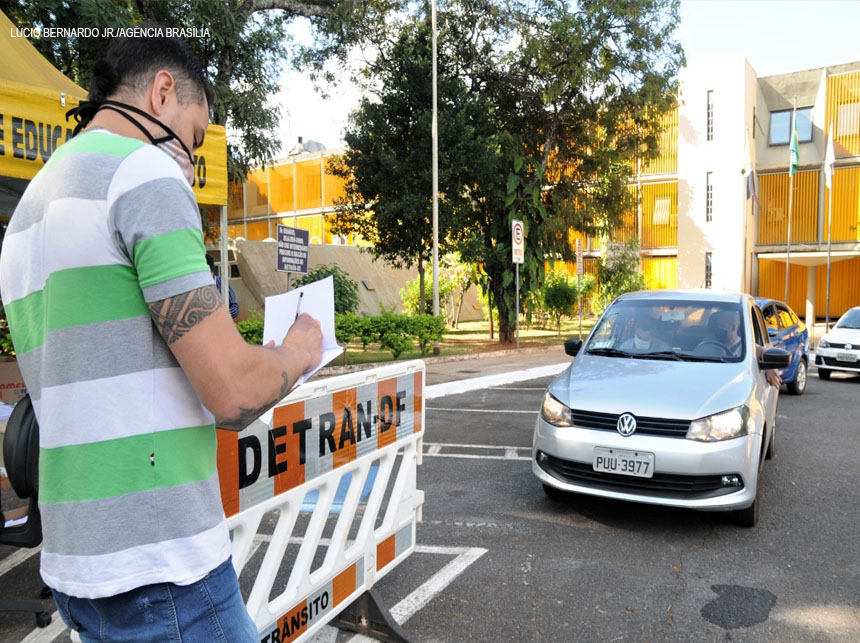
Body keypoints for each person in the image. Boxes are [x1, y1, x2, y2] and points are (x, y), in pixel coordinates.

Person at [0, 28, 322, 642]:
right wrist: (300, 350)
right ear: (163, 92)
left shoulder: (32, 205)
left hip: (77, 566)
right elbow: (230, 392)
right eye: (193, 138)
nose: (190, 162)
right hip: (161, 565)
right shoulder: (143, 172)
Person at [698, 311, 781, 388]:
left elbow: (761, 350)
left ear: (733, 327)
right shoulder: (710, 339)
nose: (718, 329)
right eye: (718, 325)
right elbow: (696, 353)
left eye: (722, 326)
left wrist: (770, 367)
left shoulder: (744, 346)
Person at [207, 253, 240, 319]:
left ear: (209, 270)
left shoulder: (223, 283)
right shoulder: (197, 286)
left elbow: (235, 309)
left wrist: (220, 315)